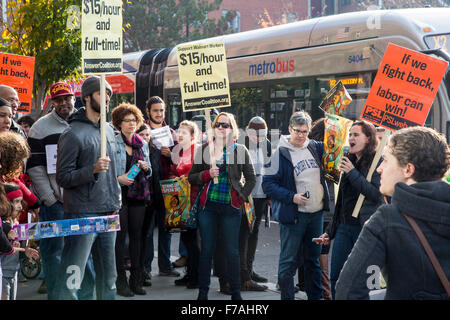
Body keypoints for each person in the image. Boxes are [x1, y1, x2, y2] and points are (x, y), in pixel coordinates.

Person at [335, 126, 450, 300]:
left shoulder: (386, 220)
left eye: (386, 160)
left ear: (408, 170)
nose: (380, 168)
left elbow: (348, 291)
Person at [56, 76, 121, 300]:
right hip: (82, 212)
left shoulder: (110, 130)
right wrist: (91, 170)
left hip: (110, 210)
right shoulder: (71, 133)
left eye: (109, 95)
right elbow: (63, 177)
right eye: (102, 94)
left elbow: (113, 173)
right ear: (87, 97)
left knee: (109, 278)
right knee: (73, 277)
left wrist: (116, 201)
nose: (107, 99)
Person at [262, 111, 330, 300]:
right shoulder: (280, 153)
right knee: (288, 263)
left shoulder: (315, 147)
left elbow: (337, 148)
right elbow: (267, 184)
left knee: (313, 261)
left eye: (305, 132)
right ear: (290, 129)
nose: (301, 135)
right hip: (294, 216)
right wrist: (292, 197)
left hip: (316, 215)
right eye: (297, 131)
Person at [188, 112, 256, 301]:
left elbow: (251, 179)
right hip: (207, 208)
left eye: (225, 125)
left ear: (232, 128)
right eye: (218, 124)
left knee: (232, 251)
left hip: (230, 208)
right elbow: (191, 177)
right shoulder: (204, 149)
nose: (221, 128)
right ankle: (203, 294)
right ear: (213, 127)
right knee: (207, 250)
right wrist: (207, 174)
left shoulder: (240, 150)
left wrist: (240, 197)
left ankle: (236, 293)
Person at [318, 120, 382, 299]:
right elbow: (341, 201)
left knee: (366, 279)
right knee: (337, 276)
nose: (351, 138)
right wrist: (330, 232)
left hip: (365, 229)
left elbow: (375, 194)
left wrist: (353, 173)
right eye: (350, 135)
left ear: (368, 139)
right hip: (344, 228)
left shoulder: (377, 162)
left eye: (356, 135)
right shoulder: (349, 160)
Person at [26, 81, 75, 300]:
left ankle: (72, 293)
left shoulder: (83, 122)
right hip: (55, 203)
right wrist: (49, 199)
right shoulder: (40, 127)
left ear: (74, 99)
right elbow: (35, 168)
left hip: (81, 202)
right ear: (52, 102)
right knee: (53, 251)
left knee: (77, 252)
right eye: (59, 99)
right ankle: (56, 295)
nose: (64, 103)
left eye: (67, 98)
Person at [111, 103, 152, 297]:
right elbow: (107, 171)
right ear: (119, 123)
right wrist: (118, 178)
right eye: (127, 121)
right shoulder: (113, 142)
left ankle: (136, 279)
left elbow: (150, 170)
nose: (131, 124)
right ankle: (121, 280)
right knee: (120, 239)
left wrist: (146, 167)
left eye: (134, 120)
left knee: (137, 237)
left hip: (138, 196)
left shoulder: (142, 144)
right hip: (119, 195)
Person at [144, 96, 179, 277]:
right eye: (155, 110)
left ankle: (165, 266)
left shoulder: (171, 133)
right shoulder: (141, 132)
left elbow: (181, 162)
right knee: (147, 231)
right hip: (148, 188)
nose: (159, 113)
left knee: (167, 228)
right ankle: (146, 268)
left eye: (161, 110)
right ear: (148, 111)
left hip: (167, 187)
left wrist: (171, 154)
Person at [238, 116, 272, 291]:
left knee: (254, 232)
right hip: (245, 196)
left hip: (260, 195)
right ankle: (243, 275)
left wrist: (269, 195)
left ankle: (249, 271)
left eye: (262, 135)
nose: (258, 138)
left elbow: (270, 168)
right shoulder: (240, 144)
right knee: (244, 234)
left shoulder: (266, 144)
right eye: (255, 135)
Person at [168, 120, 200, 289]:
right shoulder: (178, 152)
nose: (180, 135)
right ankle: (190, 274)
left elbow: (201, 175)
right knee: (187, 240)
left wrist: (186, 179)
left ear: (193, 136)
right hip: (181, 201)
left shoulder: (198, 152)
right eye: (179, 131)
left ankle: (196, 276)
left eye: (184, 132)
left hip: (194, 201)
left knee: (193, 241)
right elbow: (173, 171)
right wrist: (174, 178)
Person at [0, 183, 40, 300]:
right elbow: (7, 248)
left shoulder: (14, 223)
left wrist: (26, 247)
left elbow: (19, 252)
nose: (20, 206)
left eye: (21, 202)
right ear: (5, 203)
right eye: (16, 202)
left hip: (13, 272)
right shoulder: (4, 226)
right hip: (3, 274)